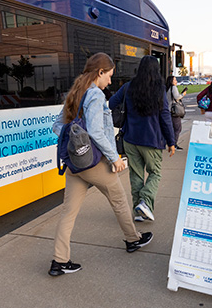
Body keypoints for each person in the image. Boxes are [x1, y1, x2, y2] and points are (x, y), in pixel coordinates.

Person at [49, 52, 153, 276]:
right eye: (109, 75)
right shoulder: (95, 94)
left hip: (75, 164)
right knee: (119, 200)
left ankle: (59, 261)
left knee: (68, 212)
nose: (110, 81)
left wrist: (76, 142)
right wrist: (114, 157)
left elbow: (57, 126)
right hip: (95, 164)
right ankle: (132, 240)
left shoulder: (75, 91)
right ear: (100, 72)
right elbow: (96, 130)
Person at [109, 58, 175, 223]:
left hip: (130, 139)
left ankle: (138, 212)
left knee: (136, 175)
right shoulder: (159, 89)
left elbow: (110, 103)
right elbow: (165, 116)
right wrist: (171, 141)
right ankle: (145, 202)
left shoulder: (128, 86)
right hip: (151, 140)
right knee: (155, 173)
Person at [166, 75, 187, 150]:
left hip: (168, 110)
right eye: (175, 80)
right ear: (171, 81)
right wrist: (183, 94)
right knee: (177, 128)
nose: (176, 81)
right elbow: (177, 97)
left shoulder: (167, 88)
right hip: (174, 111)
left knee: (171, 128)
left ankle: (169, 142)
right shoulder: (173, 87)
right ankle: (173, 143)